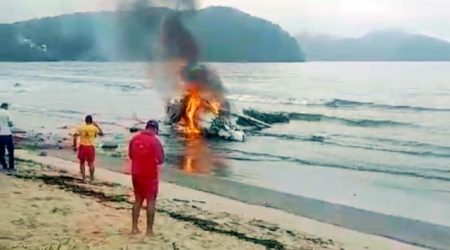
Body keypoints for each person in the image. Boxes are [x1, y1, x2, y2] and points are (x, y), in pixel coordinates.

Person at [128, 120, 164, 235]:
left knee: (138, 200)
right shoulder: (155, 141)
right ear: (155, 129)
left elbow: (131, 155)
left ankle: (134, 228)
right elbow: (161, 160)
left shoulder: (134, 139)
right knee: (150, 202)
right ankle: (149, 230)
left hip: (136, 174)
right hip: (150, 176)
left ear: (146, 127)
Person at [73, 115, 103, 183]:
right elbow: (101, 134)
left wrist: (74, 146)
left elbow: (75, 137)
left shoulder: (81, 127)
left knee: (82, 163)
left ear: (85, 120)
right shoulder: (94, 128)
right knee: (91, 163)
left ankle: (83, 178)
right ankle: (91, 179)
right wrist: (97, 125)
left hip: (82, 146)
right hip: (90, 147)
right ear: (91, 121)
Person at [0, 103, 15, 171]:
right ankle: (11, 166)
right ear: (6, 107)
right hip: (7, 134)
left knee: (1, 151)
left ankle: (4, 165)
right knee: (11, 151)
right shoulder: (7, 113)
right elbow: (10, 124)